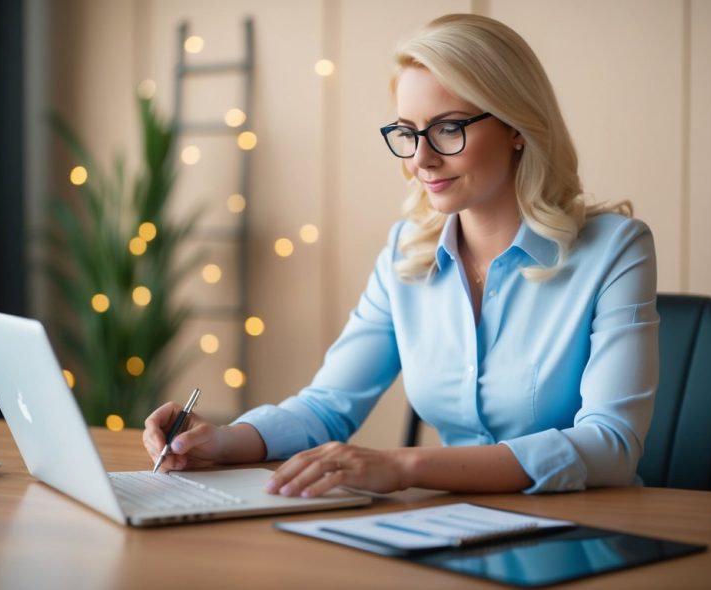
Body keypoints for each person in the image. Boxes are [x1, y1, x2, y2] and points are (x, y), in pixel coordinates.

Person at [143, 13, 658, 496]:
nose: (421, 159)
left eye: (448, 129)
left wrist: (405, 466)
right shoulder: (406, 253)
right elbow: (327, 407)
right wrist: (220, 441)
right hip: (451, 527)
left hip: (582, 531)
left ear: (517, 126)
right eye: (408, 133)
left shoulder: (615, 250)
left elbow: (611, 447)